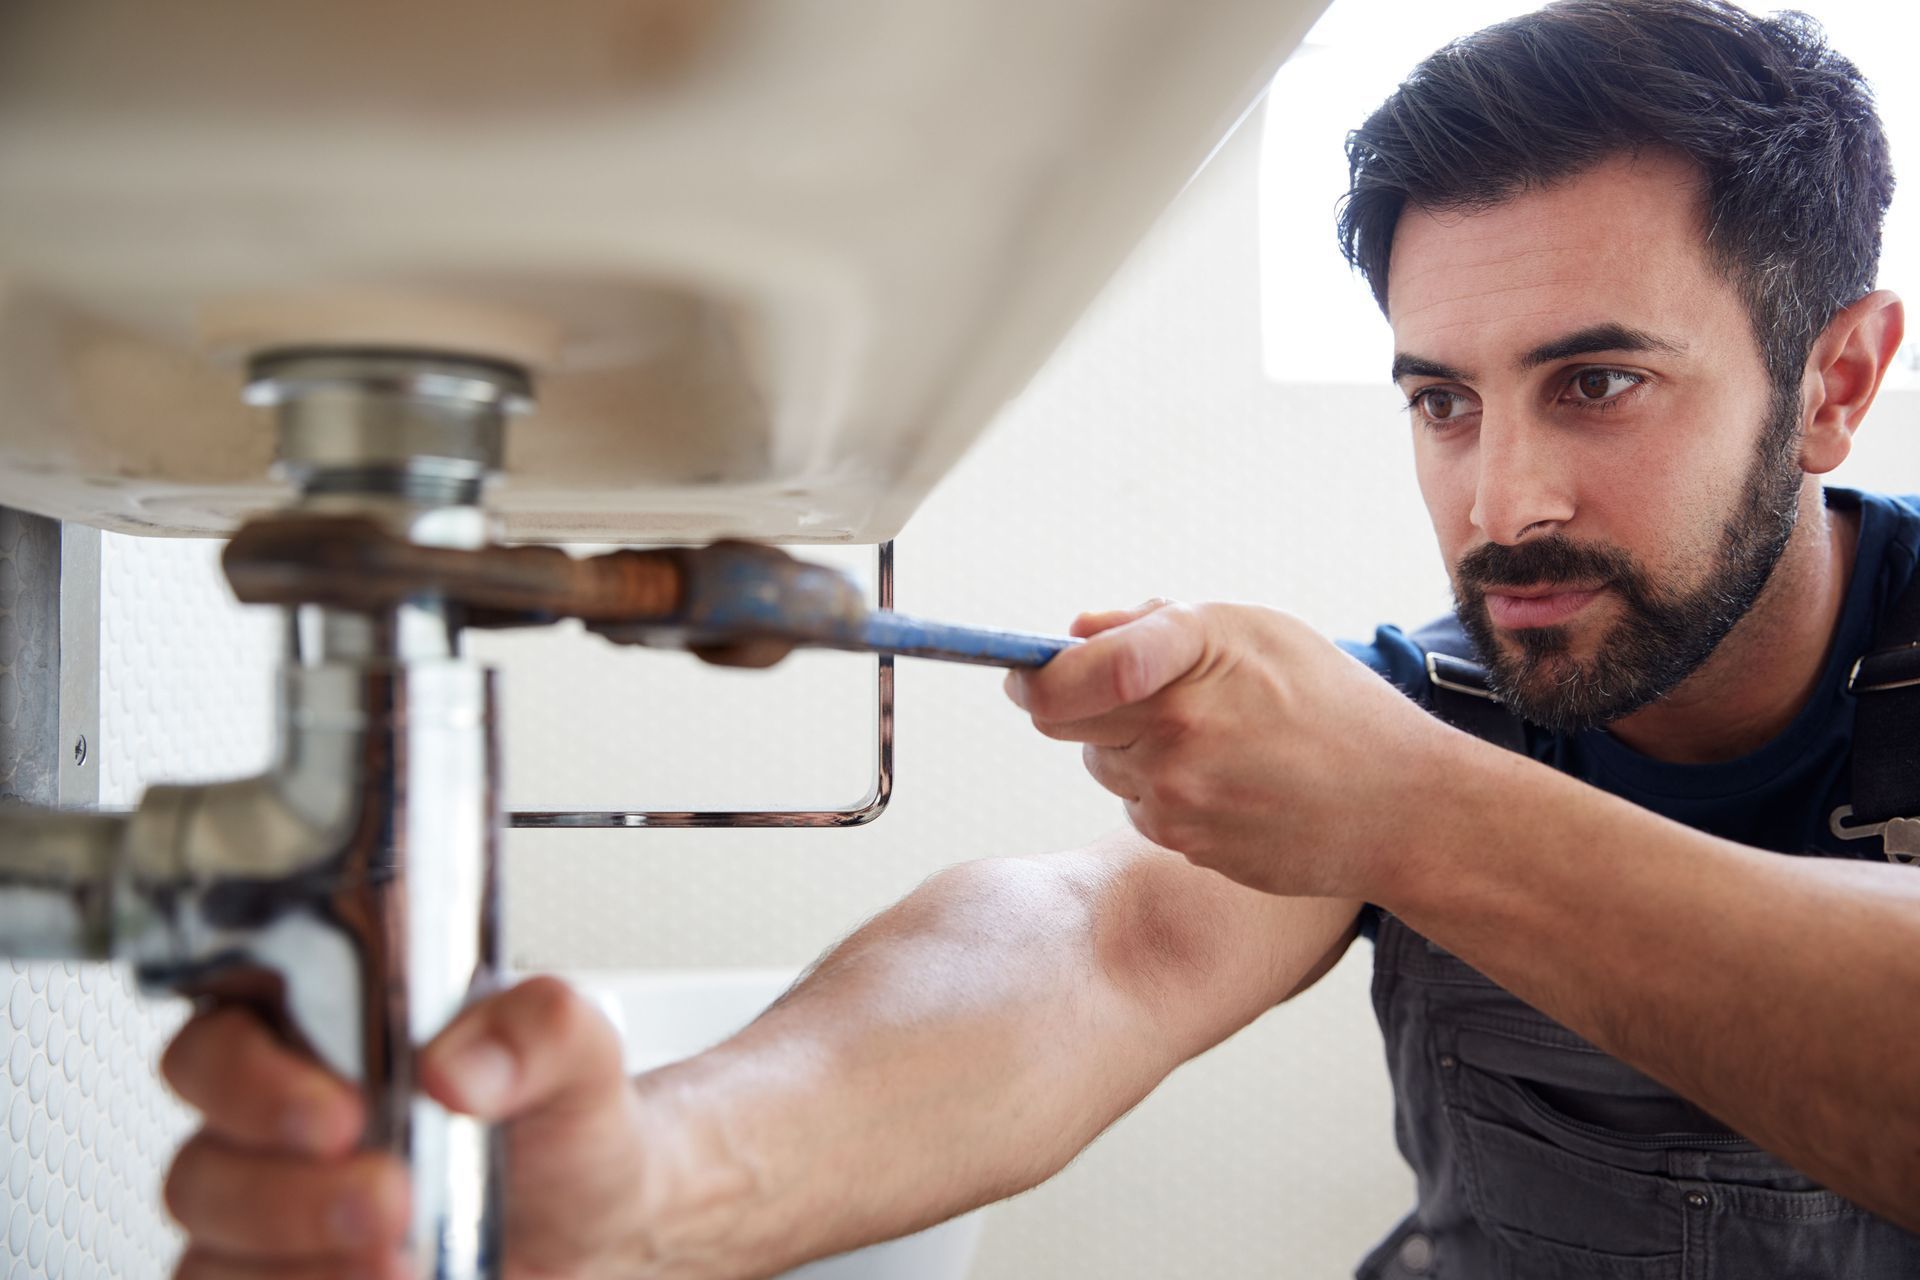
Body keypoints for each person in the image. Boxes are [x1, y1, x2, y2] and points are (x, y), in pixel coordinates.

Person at [158, 0, 1920, 1276]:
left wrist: (1414, 810)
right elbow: (1102, 943)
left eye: (1598, 383)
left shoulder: (1417, 763)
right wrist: (656, 1171)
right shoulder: (1442, 699)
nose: (1500, 499)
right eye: (1442, 401)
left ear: (1833, 383)